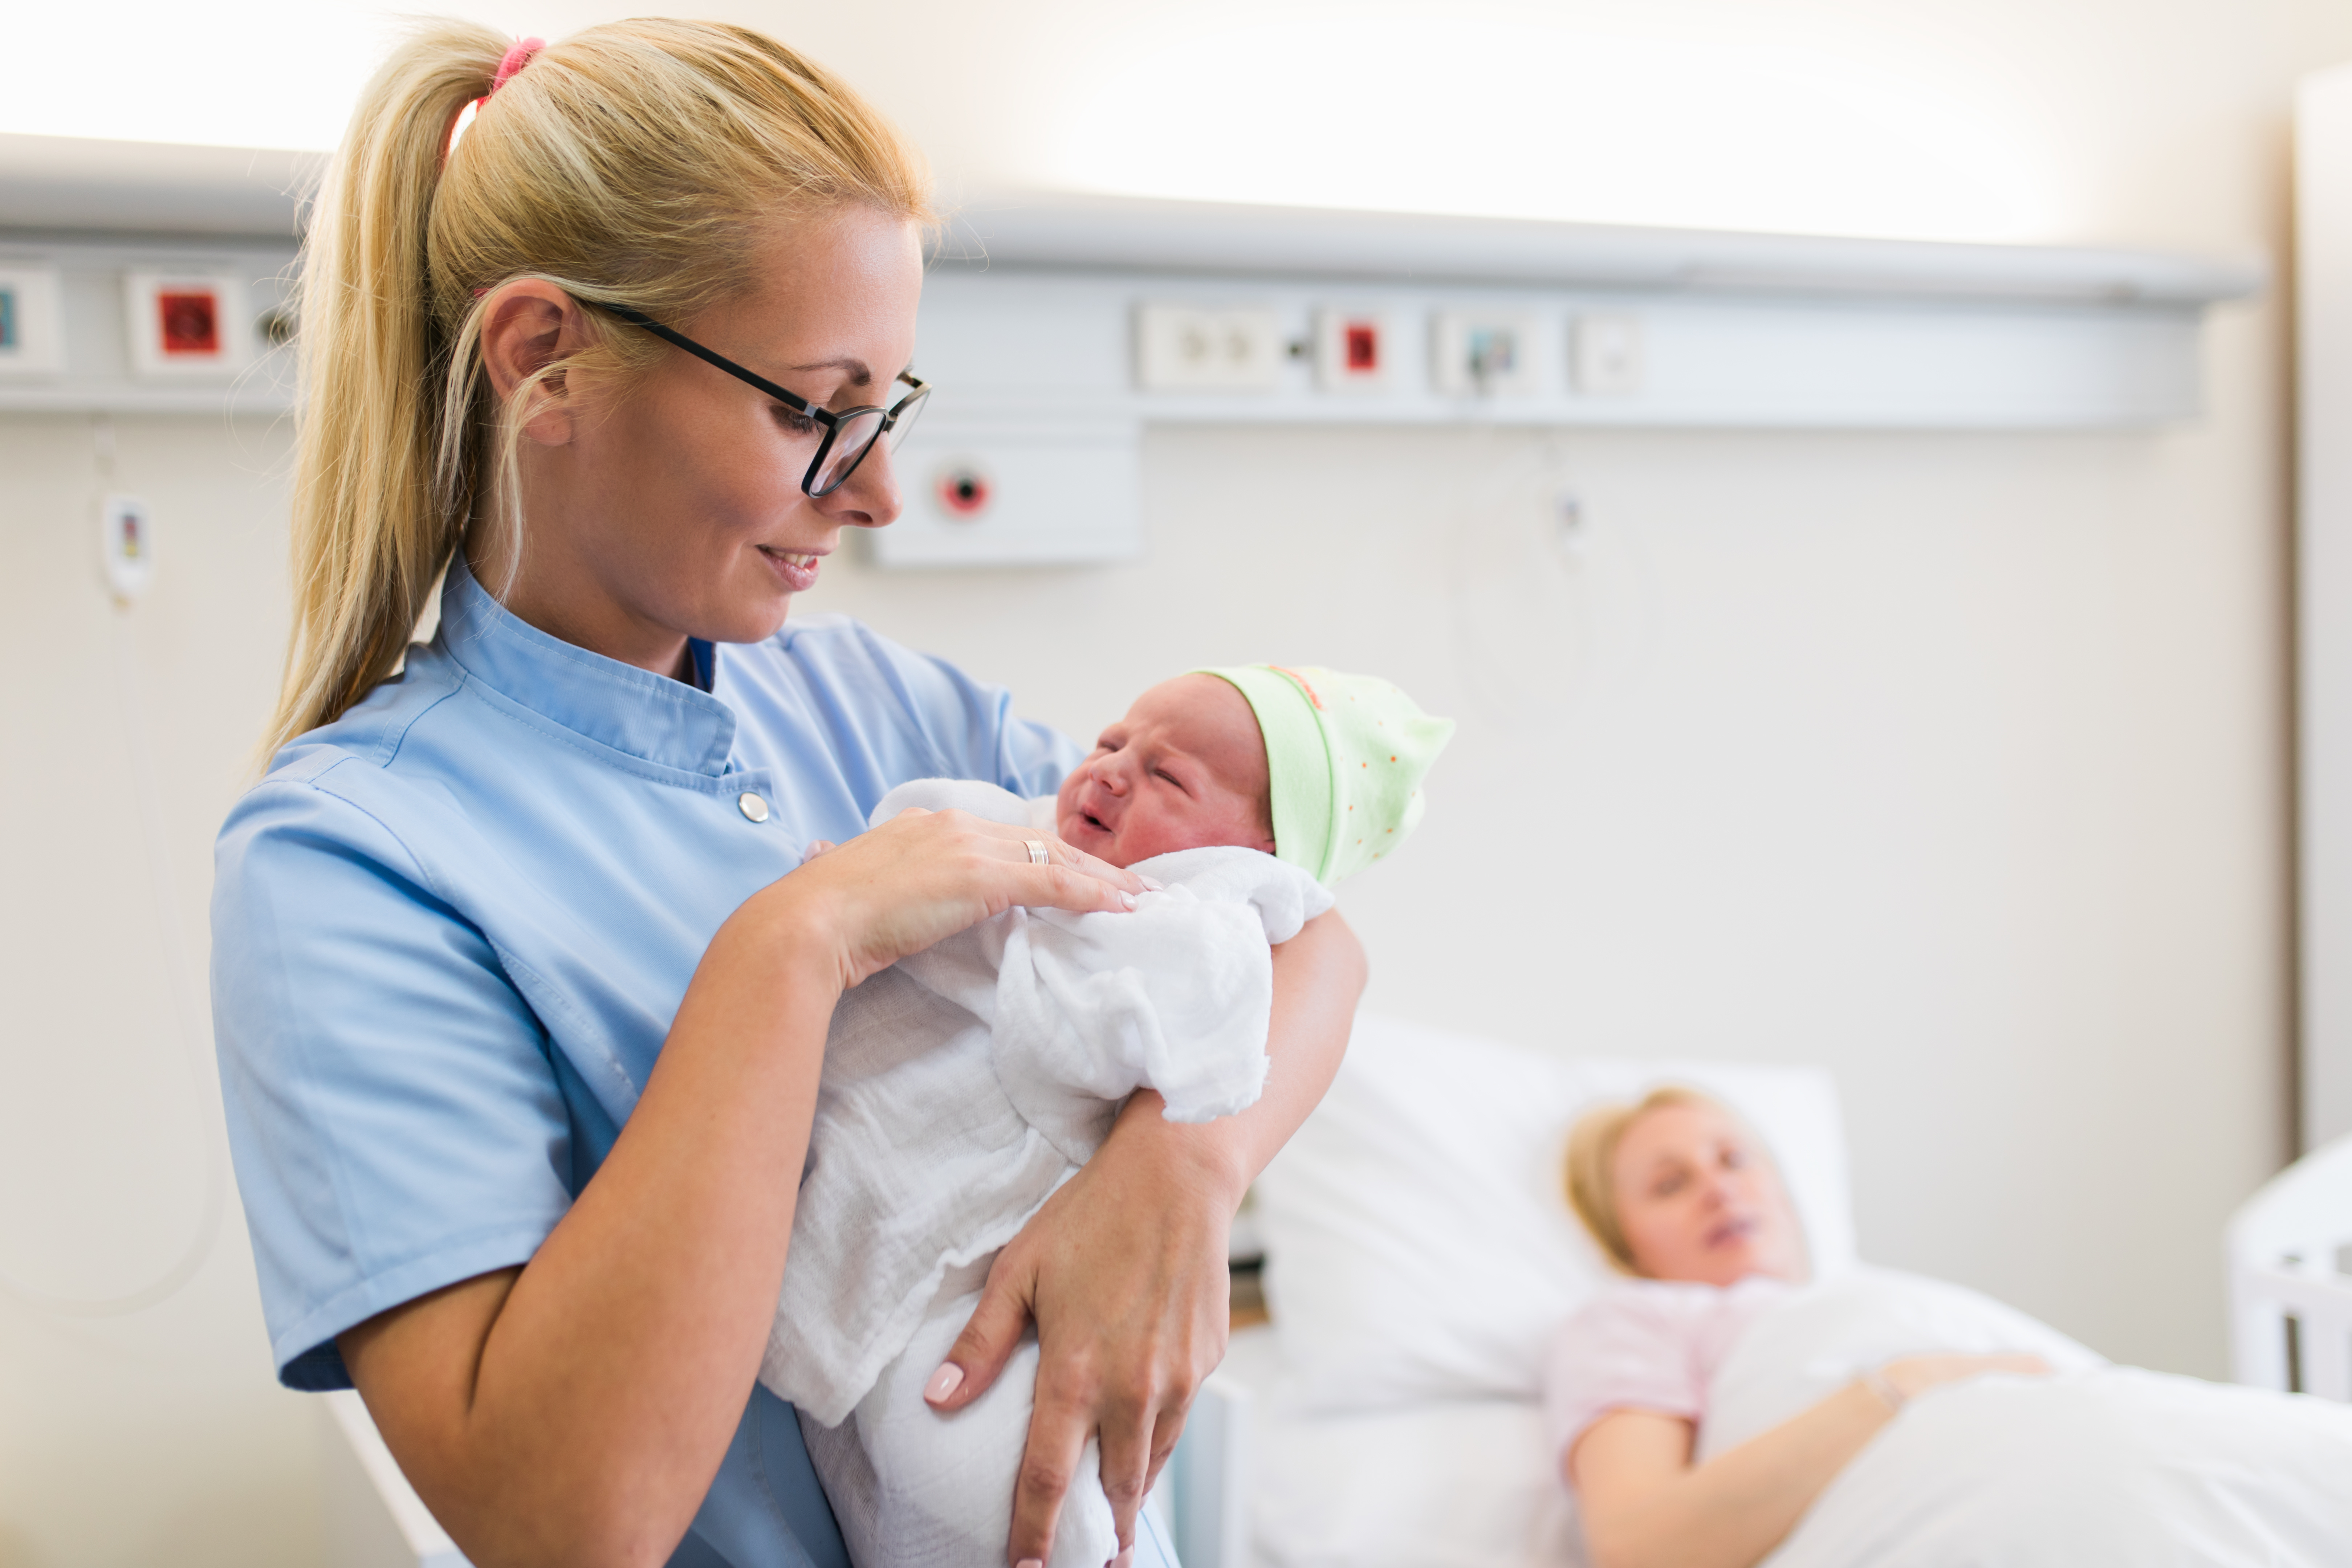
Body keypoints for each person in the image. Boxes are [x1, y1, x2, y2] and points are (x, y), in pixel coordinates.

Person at [207, 22, 1367, 1568]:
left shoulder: (890, 708)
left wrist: (1186, 1162)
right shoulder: (349, 865)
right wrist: (795, 945)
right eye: (812, 408)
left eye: (886, 406)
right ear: (542, 357)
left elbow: (1300, 935)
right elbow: (570, 1524)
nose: (877, 489)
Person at [774, 667, 1450, 1568]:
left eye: (1166, 777)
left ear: (1251, 857)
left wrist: (1189, 1162)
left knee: (1007, 1488)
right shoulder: (1026, 823)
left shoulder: (1194, 928)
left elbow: (1093, 1034)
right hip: (872, 1222)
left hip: (989, 1278)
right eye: (1108, 742)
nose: (1108, 771)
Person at [1545, 1090, 2050, 1568]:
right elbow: (1639, 1547)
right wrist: (1902, 1386)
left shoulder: (1884, 1295)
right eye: (1670, 1185)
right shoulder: (1635, 1318)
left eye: (1733, 1160)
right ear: (1623, 1244)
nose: (1719, 1190)